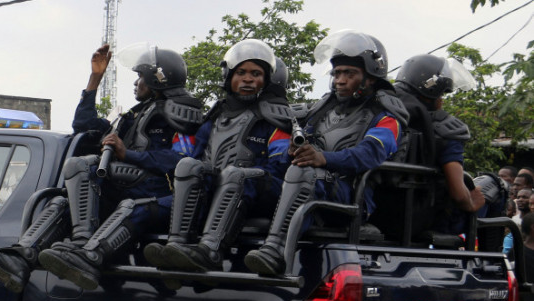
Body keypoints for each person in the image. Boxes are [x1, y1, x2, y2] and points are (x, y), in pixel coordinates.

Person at [0, 43, 202, 292]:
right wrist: (95, 79)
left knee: (87, 169)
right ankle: (20, 258)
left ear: (159, 79)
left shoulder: (180, 115)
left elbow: (181, 162)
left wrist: (128, 153)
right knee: (62, 203)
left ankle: (83, 250)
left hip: (155, 195)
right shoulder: (133, 116)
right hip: (124, 188)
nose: (136, 83)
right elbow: (83, 124)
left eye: (140, 77)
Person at [243, 30, 408, 276]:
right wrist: (293, 151)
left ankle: (274, 251)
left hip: (350, 196)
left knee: (306, 175)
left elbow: (370, 154)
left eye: (349, 73)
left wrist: (324, 158)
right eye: (337, 73)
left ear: (371, 78)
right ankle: (208, 247)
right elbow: (299, 146)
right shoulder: (322, 110)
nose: (340, 80)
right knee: (243, 176)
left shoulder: (386, 117)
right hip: (306, 183)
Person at [143, 40, 293, 271]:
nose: (248, 79)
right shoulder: (216, 117)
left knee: (235, 175)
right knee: (187, 167)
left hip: (256, 193)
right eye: (241, 72)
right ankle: (176, 245)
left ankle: (210, 251)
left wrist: (232, 178)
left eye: (256, 73)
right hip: (217, 191)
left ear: (266, 80)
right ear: (229, 76)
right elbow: (194, 160)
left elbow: (279, 170)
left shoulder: (275, 120)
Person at [393, 54, 484, 235]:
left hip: (377, 214)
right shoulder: (445, 129)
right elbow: (459, 194)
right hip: (423, 221)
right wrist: (472, 202)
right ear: (433, 93)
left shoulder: (385, 114)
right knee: (495, 186)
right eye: (442, 94)